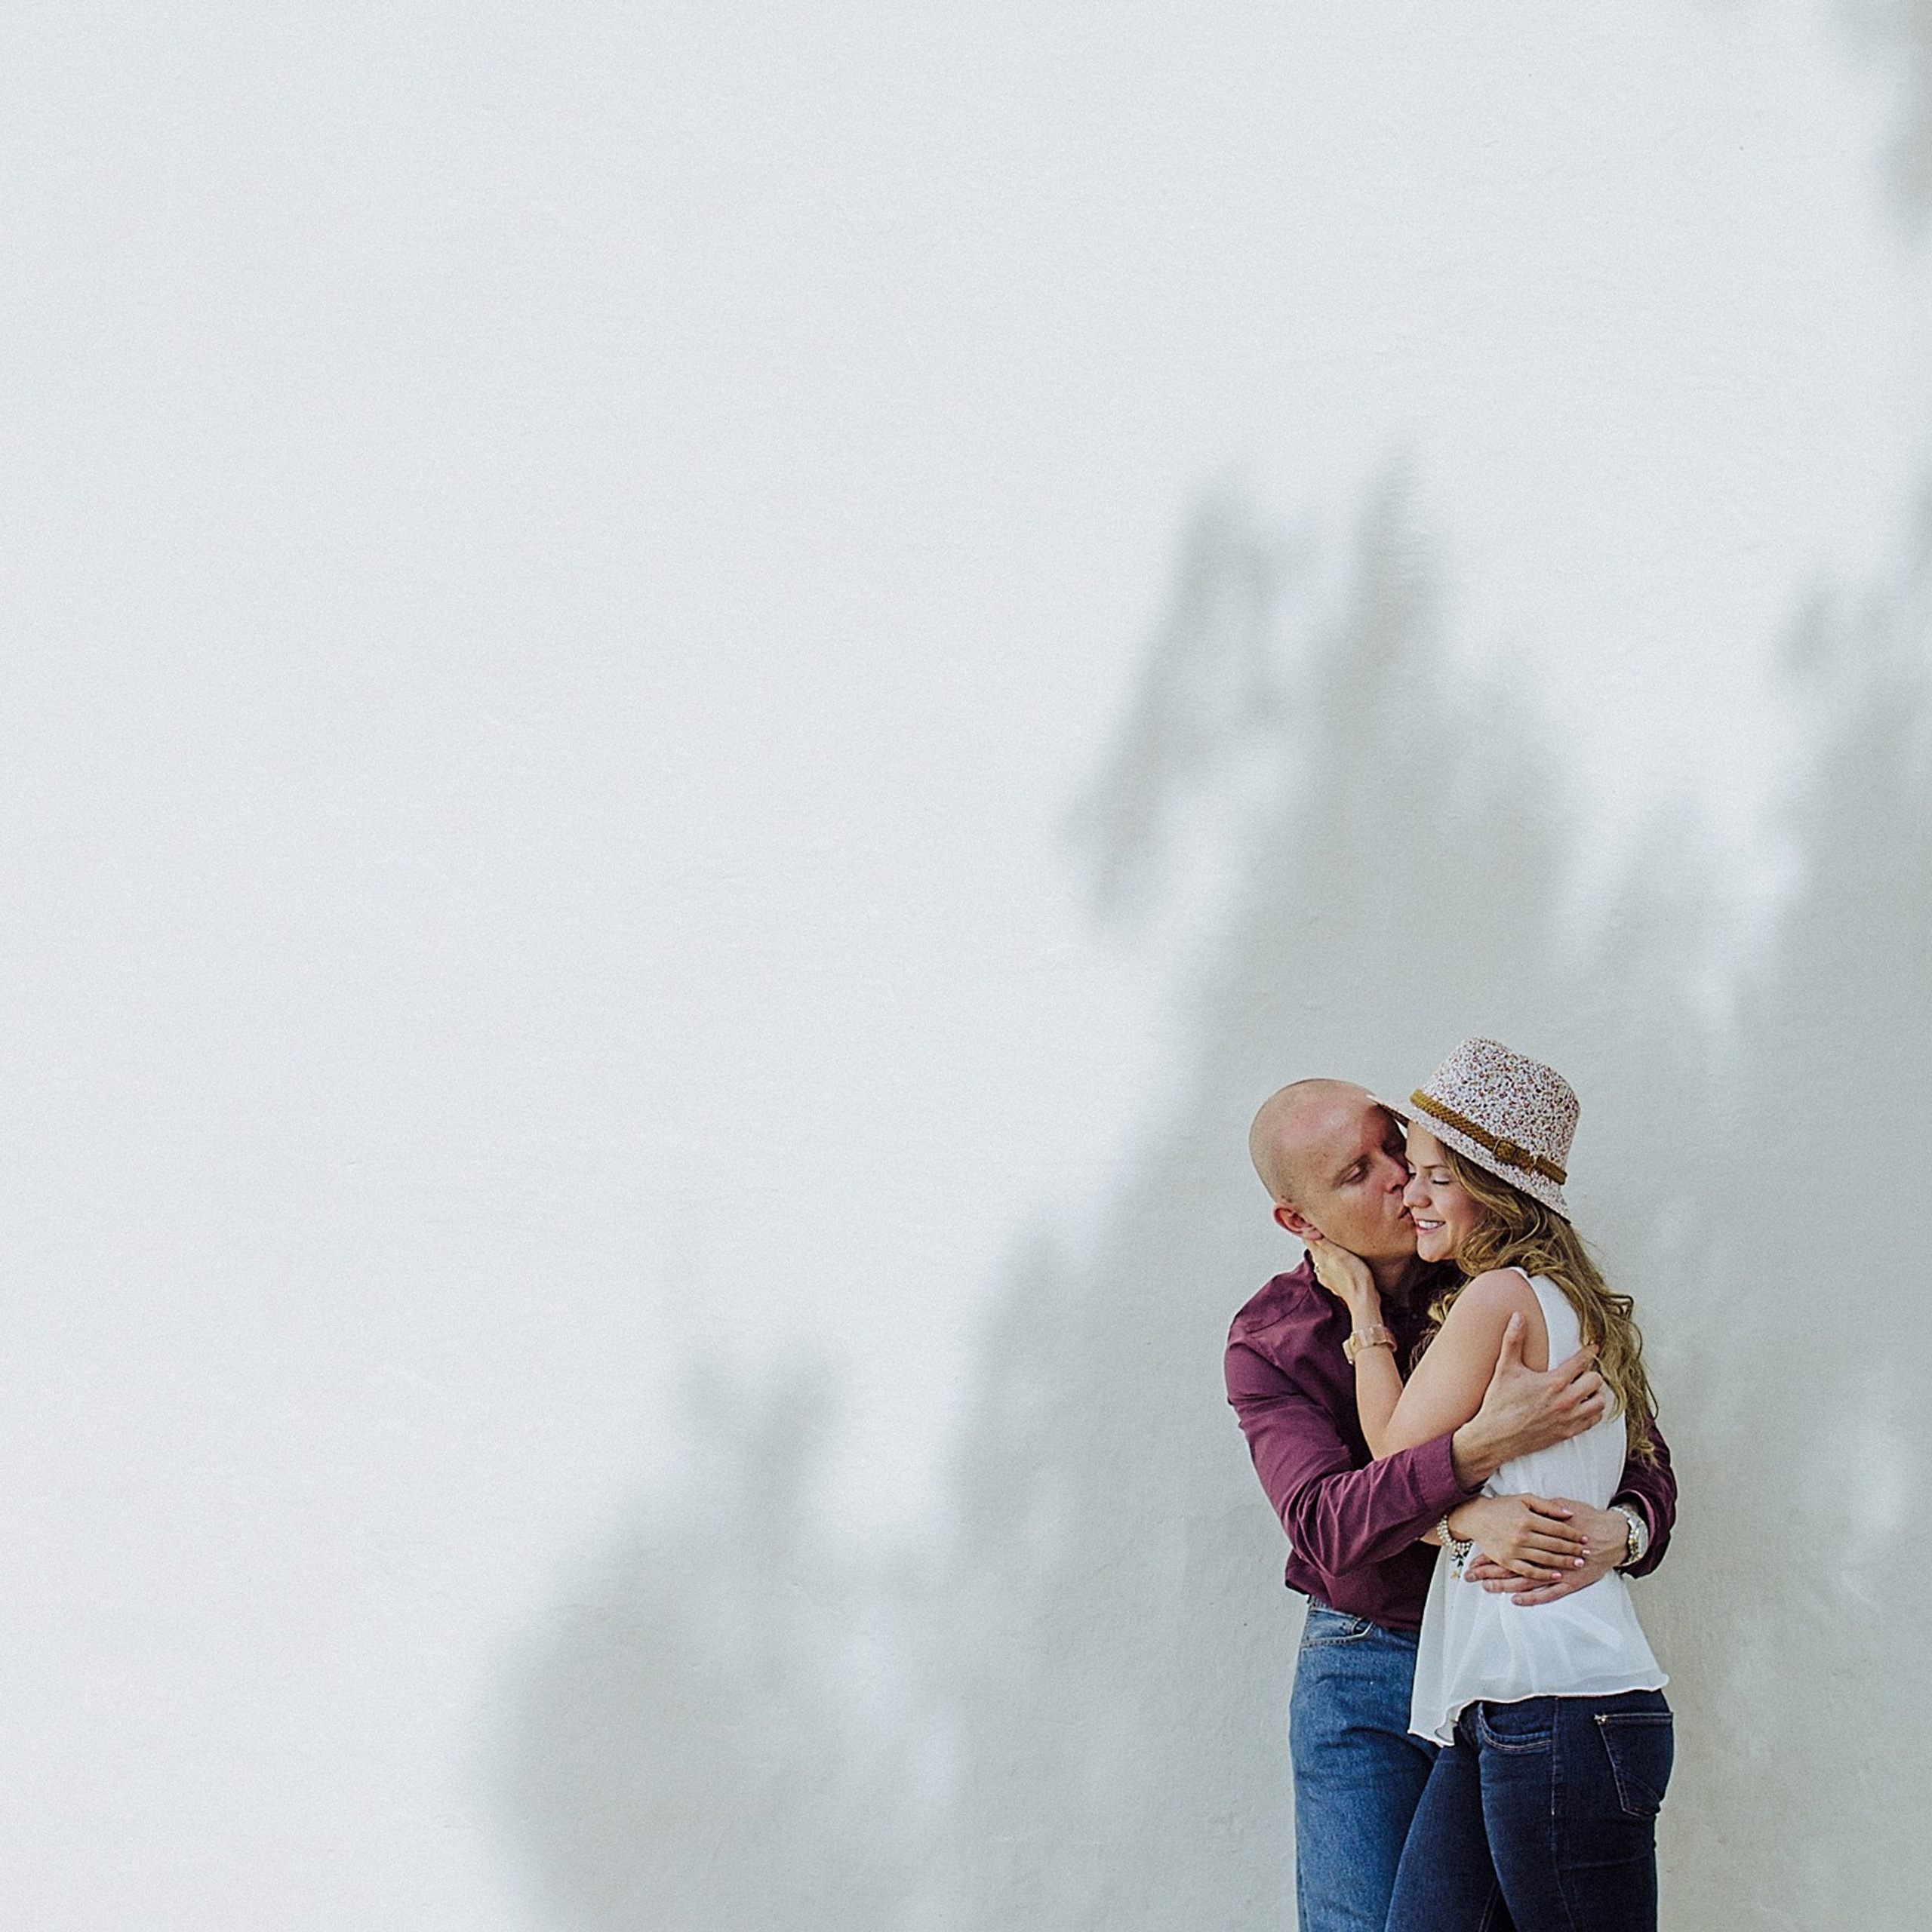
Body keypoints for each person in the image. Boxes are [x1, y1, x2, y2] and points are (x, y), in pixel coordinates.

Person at [1227, 1072, 1677, 1932]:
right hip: (1370, 1662)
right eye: (1357, 1173)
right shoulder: (1272, 1338)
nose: (1400, 1177)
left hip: (1516, 1661)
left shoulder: (1505, 1284)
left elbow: (1641, 1463)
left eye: (1396, 1146)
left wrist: (1620, 1532)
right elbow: (1325, 1523)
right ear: (1300, 1221)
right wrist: (1474, 1467)